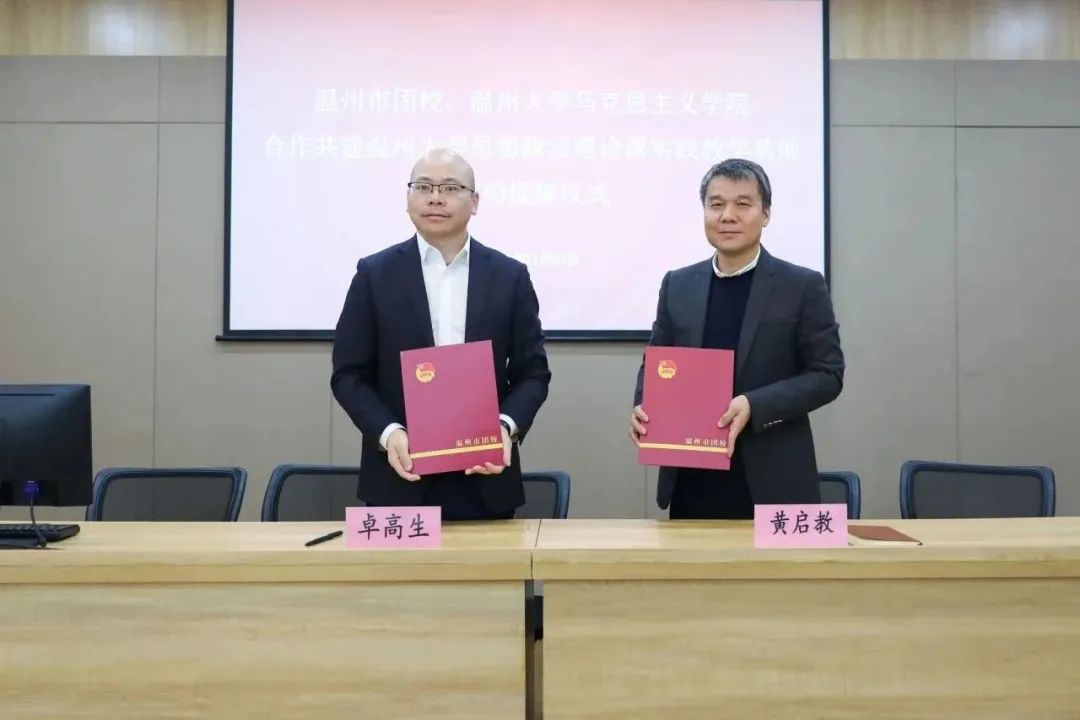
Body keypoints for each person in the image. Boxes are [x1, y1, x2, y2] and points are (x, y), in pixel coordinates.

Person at [332, 149, 551, 521]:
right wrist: (388, 433)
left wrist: (504, 427)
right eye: (423, 187)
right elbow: (348, 375)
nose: (435, 198)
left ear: (474, 202)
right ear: (408, 198)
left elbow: (533, 373)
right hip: (398, 477)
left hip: (485, 479)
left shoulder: (509, 276)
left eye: (450, 188)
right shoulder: (374, 274)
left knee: (489, 564)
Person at [629, 158, 843, 519]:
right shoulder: (678, 284)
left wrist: (755, 405)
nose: (728, 215)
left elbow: (828, 375)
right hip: (692, 479)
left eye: (743, 204)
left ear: (766, 213)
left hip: (774, 481)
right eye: (716, 204)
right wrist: (642, 404)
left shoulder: (802, 286)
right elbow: (657, 361)